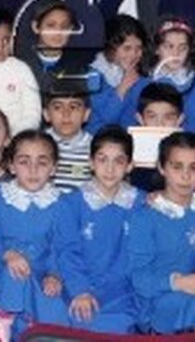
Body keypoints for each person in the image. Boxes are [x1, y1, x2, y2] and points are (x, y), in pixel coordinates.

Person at [127, 132, 195, 334]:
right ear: (161, 167)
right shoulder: (145, 216)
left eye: (194, 167)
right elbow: (138, 277)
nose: (186, 176)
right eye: (177, 167)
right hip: (158, 297)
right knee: (180, 306)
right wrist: (179, 283)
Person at [53, 125, 141, 333]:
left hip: (126, 292)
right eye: (102, 159)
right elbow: (67, 251)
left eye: (118, 161)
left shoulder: (142, 203)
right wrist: (80, 290)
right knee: (81, 320)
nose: (110, 169)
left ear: (130, 165)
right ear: (91, 163)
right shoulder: (70, 203)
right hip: (81, 286)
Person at [0, 129, 69, 335]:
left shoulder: (61, 202)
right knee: (14, 274)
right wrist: (7, 254)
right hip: (0, 265)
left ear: (53, 168)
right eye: (24, 162)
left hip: (41, 271)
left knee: (53, 305)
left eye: (42, 162)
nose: (33, 170)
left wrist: (54, 274)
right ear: (11, 165)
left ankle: (33, 330)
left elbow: (60, 246)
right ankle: (0, 321)